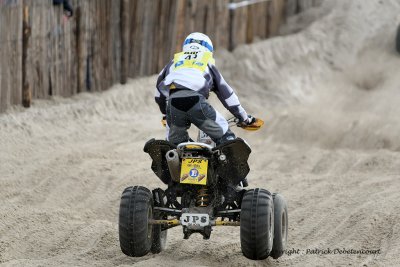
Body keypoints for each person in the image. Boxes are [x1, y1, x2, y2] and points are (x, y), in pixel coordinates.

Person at [155, 32, 256, 145]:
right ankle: (230, 154)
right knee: (224, 134)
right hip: (197, 103)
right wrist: (243, 117)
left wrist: (165, 113)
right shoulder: (207, 64)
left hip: (173, 104)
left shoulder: (173, 63)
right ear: (208, 50)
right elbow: (227, 95)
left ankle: (167, 156)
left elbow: (159, 93)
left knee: (174, 143)